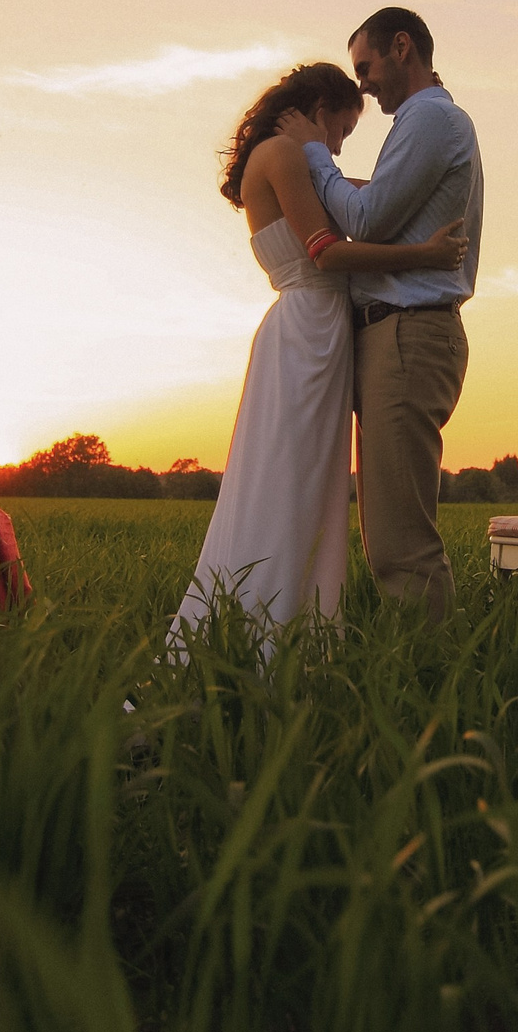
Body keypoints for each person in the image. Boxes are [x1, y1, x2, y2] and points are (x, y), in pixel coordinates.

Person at [167, 62, 468, 654]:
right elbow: (326, 254)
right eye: (336, 132)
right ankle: (266, 639)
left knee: (306, 484)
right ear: (315, 111)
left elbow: (365, 195)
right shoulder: (282, 155)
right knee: (290, 483)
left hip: (316, 333)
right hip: (308, 332)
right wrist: (423, 256)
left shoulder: (293, 157)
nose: (333, 147)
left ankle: (285, 634)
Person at [273, 6, 483, 624]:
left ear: (401, 47)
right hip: (395, 336)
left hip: (408, 335)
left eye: (365, 67)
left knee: (401, 544)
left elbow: (365, 221)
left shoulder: (430, 119)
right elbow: (380, 201)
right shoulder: (424, 123)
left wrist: (314, 155)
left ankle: (432, 690)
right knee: (387, 533)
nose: (360, 81)